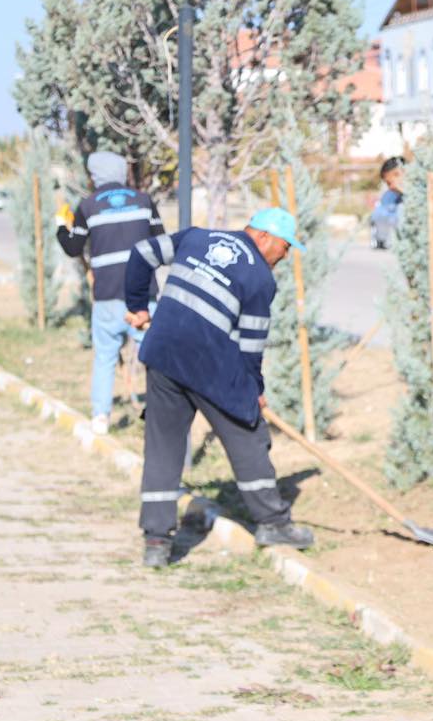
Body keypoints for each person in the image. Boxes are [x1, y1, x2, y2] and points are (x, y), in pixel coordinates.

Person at [124, 208, 317, 568]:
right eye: (285, 247)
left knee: (163, 446)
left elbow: (141, 254)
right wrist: (253, 390)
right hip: (207, 362)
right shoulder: (260, 277)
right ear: (263, 237)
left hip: (162, 350)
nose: (285, 255)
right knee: (248, 432)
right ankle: (273, 523)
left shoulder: (197, 236)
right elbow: (251, 346)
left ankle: (156, 541)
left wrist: (137, 306)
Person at [54, 151, 164, 436]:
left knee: (104, 356)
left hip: (107, 296)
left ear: (94, 176)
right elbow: (162, 243)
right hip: (143, 297)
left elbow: (73, 248)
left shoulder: (88, 207)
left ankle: (101, 417)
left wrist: (60, 227)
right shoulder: (143, 201)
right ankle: (158, 412)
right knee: (154, 354)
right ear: (122, 172)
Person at [369, 156, 405, 249]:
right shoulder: (392, 195)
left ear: (399, 173)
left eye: (389, 182)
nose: (390, 187)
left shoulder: (426, 189)